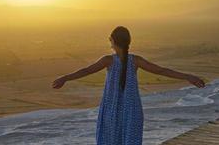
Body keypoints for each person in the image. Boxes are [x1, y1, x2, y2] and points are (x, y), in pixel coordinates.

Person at [51, 26, 206, 145]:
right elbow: (161, 70)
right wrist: (188, 77)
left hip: (112, 109)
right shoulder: (135, 60)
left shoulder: (108, 60)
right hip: (131, 109)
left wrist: (65, 78)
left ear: (111, 40)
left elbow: (86, 70)